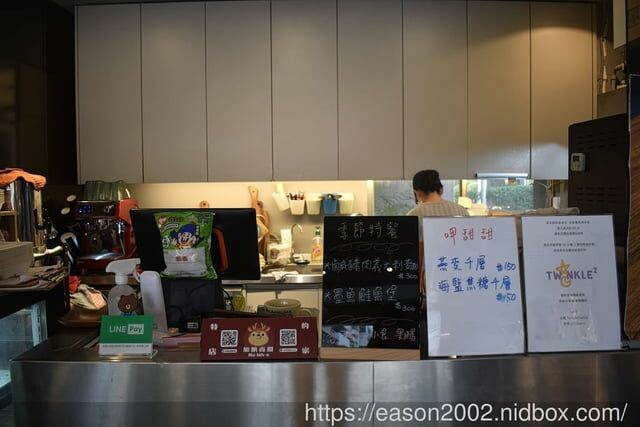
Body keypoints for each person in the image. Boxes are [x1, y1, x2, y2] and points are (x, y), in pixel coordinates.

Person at [407, 169, 469, 296]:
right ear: (441, 190)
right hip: (461, 274)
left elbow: (417, 252)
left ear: (418, 193)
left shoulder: (414, 215)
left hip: (431, 279)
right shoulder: (462, 211)